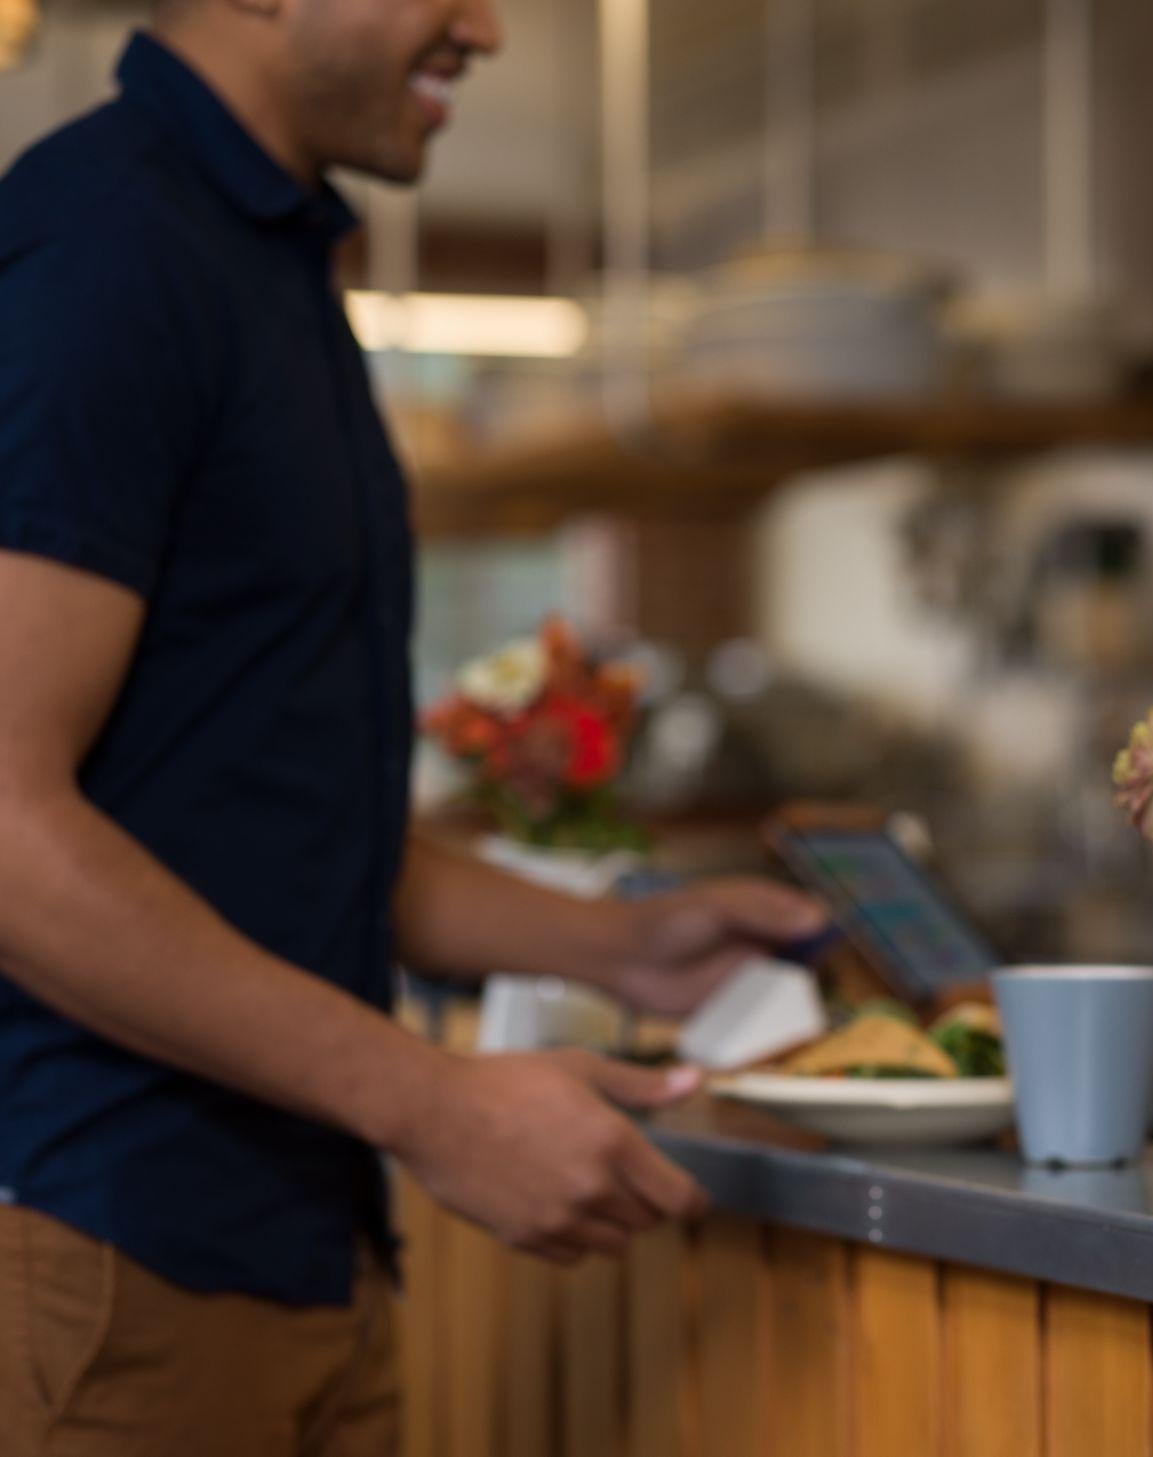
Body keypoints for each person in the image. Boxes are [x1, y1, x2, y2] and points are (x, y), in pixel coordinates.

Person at [0, 2, 823, 1451]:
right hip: (101, 1258)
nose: (489, 28)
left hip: (297, 1255)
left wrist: (619, 942)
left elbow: (260, 807)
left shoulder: (266, 259)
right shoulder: (107, 247)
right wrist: (432, 1105)